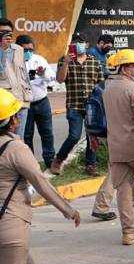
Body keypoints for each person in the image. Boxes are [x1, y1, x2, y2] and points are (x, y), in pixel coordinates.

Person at [0, 89, 80, 264]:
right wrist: (68, 209)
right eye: (16, 115)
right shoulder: (15, 148)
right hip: (10, 227)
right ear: (10, 120)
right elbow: (41, 183)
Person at [103, 50, 134, 245]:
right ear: (124, 68)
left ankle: (128, 232)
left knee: (123, 190)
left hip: (115, 147)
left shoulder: (108, 89)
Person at [51, 33, 104, 176]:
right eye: (74, 43)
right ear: (70, 46)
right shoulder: (64, 60)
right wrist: (67, 63)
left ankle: (90, 165)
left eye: (80, 42)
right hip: (74, 105)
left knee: (92, 136)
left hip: (92, 107)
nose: (78, 45)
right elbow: (60, 80)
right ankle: (58, 160)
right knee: (74, 136)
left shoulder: (95, 61)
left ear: (86, 45)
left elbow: (99, 83)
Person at [18, 35, 54, 168]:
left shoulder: (39, 60)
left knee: (47, 133)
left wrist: (43, 74)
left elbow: (52, 77)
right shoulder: (13, 62)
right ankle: (30, 163)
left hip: (42, 102)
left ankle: (50, 160)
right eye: (25, 49)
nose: (28, 52)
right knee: (26, 135)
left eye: (30, 49)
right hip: (24, 105)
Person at [0, 19, 31, 139]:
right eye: (2, 32)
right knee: (3, 140)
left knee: (18, 139)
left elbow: (24, 74)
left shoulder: (18, 49)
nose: (6, 34)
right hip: (4, 105)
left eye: (8, 32)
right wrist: (2, 48)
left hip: (20, 103)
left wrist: (27, 96)